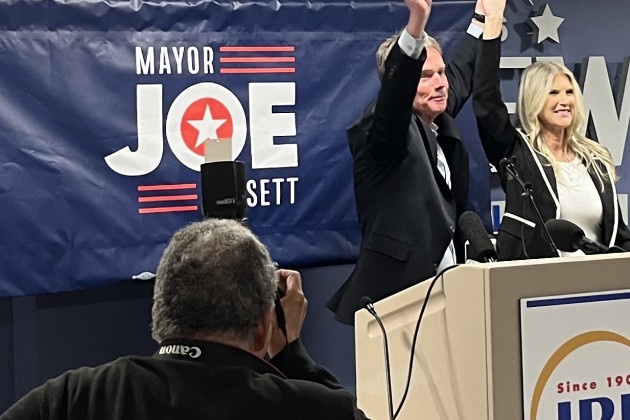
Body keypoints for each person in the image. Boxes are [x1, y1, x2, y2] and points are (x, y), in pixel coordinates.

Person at [1, 219, 370, 420]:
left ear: (157, 313)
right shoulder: (315, 409)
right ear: (262, 328)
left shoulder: (77, 397)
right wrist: (291, 352)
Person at [326, 0, 506, 325]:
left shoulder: (434, 115)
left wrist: (483, 18)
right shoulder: (384, 128)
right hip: (397, 301)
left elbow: (462, 71)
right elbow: (394, 97)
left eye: (440, 73)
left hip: (448, 293)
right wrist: (417, 24)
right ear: (406, 81)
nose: (440, 82)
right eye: (426, 76)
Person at [473, 58, 630, 260]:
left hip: (597, 281)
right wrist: (491, 32)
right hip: (539, 281)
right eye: (553, 93)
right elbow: (485, 100)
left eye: (569, 92)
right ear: (534, 99)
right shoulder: (517, 151)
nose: (565, 101)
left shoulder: (595, 157)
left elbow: (620, 234)